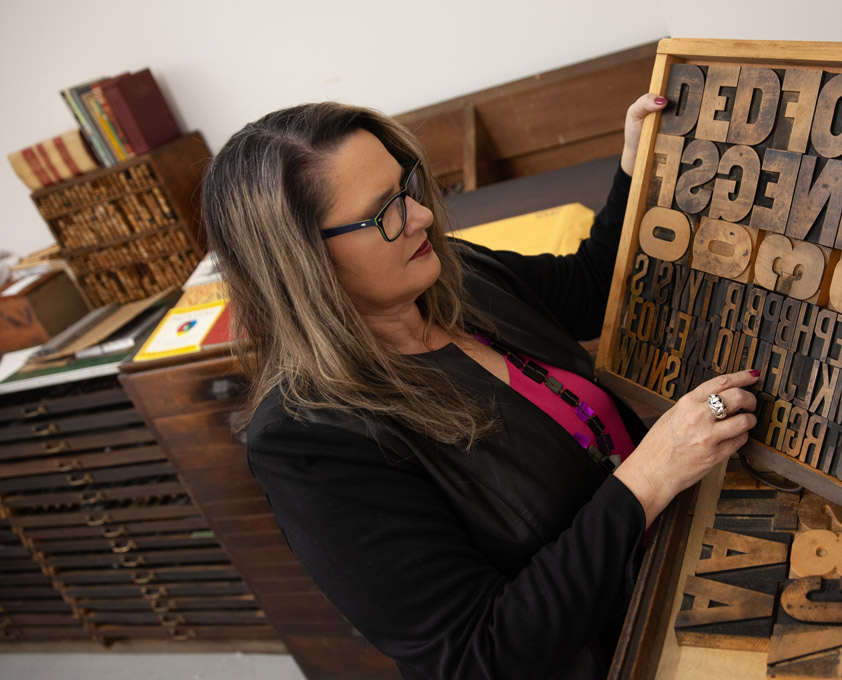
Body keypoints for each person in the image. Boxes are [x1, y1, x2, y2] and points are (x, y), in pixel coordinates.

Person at [201, 93, 759, 680]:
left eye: (408, 187)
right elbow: (476, 655)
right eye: (384, 212)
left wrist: (631, 165)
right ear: (304, 262)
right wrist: (650, 476)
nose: (419, 216)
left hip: (685, 570)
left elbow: (592, 286)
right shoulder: (306, 439)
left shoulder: (447, 273)